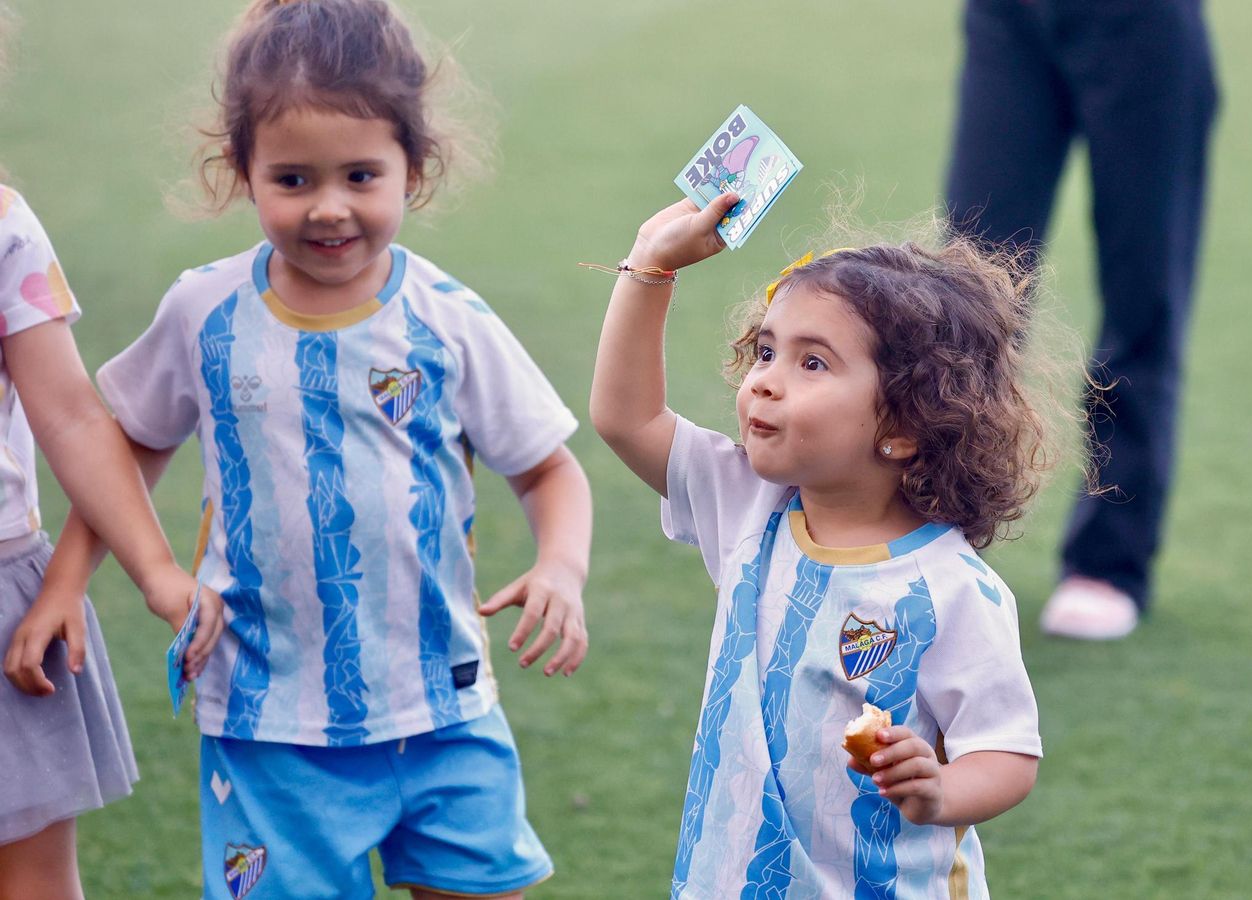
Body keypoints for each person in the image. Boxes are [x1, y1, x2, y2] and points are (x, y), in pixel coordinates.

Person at [85, 2, 592, 896]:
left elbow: (549, 466)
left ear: (414, 167)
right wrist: (127, 580)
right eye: (292, 178)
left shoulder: (448, 320)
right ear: (242, 171)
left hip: (444, 708)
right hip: (268, 723)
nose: (329, 208)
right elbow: (117, 443)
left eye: (361, 174)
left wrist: (561, 567)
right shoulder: (204, 312)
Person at [592, 193, 1047, 898]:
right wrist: (649, 268)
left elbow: (1007, 755)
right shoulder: (749, 508)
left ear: (903, 425)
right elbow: (626, 417)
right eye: (767, 350)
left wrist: (940, 790)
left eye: (812, 364)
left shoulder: (955, 590)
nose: (764, 380)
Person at [0, 6, 222, 897]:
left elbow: (73, 417)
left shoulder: (5, 228)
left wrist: (156, 570)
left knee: (33, 876)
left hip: (4, 600)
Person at [945, 0, 1220, 639]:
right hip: (1009, 19)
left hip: (1141, 23)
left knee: (1142, 291)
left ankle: (1109, 561)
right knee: (966, 294)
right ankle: (933, 541)